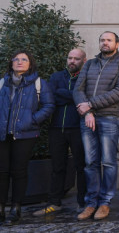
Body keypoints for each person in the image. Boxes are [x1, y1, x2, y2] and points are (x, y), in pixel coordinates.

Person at [73, 31, 119, 221]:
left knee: (108, 161)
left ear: (117, 43)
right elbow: (78, 89)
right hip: (89, 118)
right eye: (102, 40)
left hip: (110, 118)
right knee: (90, 163)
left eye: (108, 40)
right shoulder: (90, 63)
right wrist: (88, 112)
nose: (105, 43)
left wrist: (91, 104)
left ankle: (105, 202)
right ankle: (91, 203)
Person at [0, 50, 54, 225]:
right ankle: (1, 208)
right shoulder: (3, 83)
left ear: (30, 63)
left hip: (25, 134)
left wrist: (32, 120)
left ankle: (16, 208)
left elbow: (48, 105)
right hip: (2, 134)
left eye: (24, 59)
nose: (19, 62)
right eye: (16, 59)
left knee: (19, 171)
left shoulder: (39, 83)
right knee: (2, 171)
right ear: (11, 63)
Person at [33, 49, 88, 217]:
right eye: (70, 58)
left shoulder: (86, 77)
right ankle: (54, 202)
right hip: (56, 128)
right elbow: (51, 97)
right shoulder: (57, 77)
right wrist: (75, 96)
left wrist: (64, 94)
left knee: (81, 166)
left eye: (76, 59)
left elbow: (86, 99)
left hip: (78, 127)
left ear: (83, 61)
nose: (72, 61)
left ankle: (83, 203)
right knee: (57, 167)